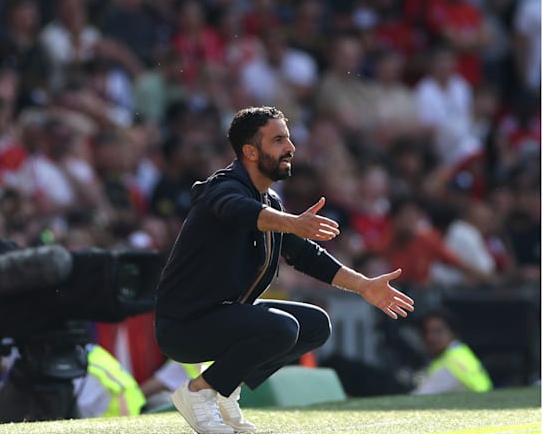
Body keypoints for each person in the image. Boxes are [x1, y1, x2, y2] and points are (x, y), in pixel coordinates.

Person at [154, 106, 415, 434]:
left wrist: (363, 285)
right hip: (184, 325)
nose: (290, 147)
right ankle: (199, 392)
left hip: (227, 317)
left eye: (288, 139)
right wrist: (292, 223)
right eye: (278, 140)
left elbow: (307, 256)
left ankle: (223, 390)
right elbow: (240, 211)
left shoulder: (272, 202)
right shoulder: (220, 187)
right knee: (281, 328)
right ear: (250, 151)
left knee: (316, 325)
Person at [411, 308, 492, 395]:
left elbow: (419, 397)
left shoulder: (450, 365)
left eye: (438, 331)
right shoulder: (461, 353)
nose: (430, 338)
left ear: (453, 333)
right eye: (426, 332)